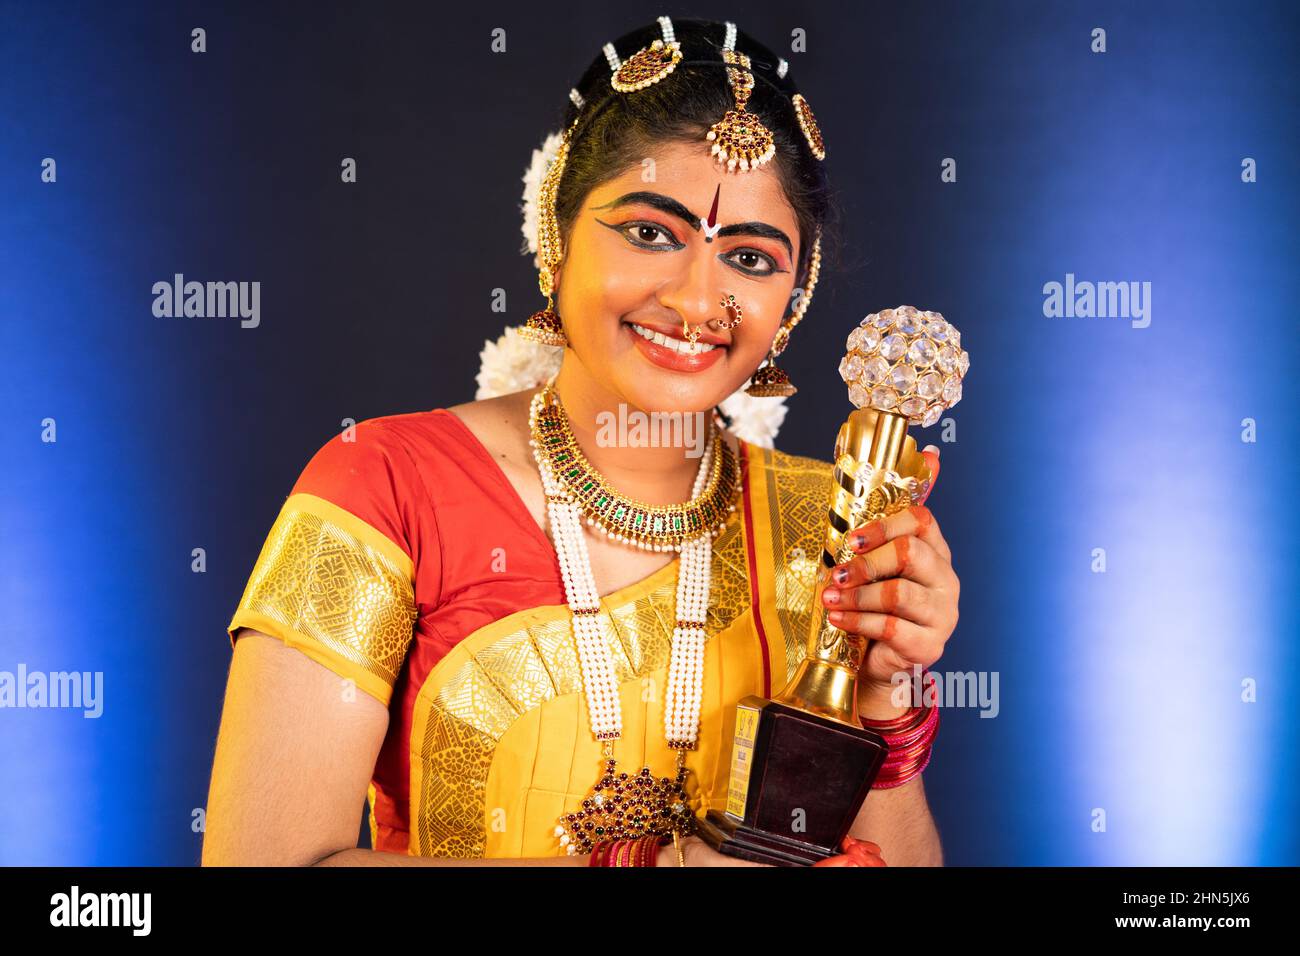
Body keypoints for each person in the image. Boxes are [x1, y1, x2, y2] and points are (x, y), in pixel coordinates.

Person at [202, 16, 960, 868]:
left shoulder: (827, 533)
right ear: (555, 240)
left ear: (794, 297)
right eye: (649, 234)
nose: (695, 299)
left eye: (749, 258)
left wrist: (884, 687)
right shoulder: (386, 488)